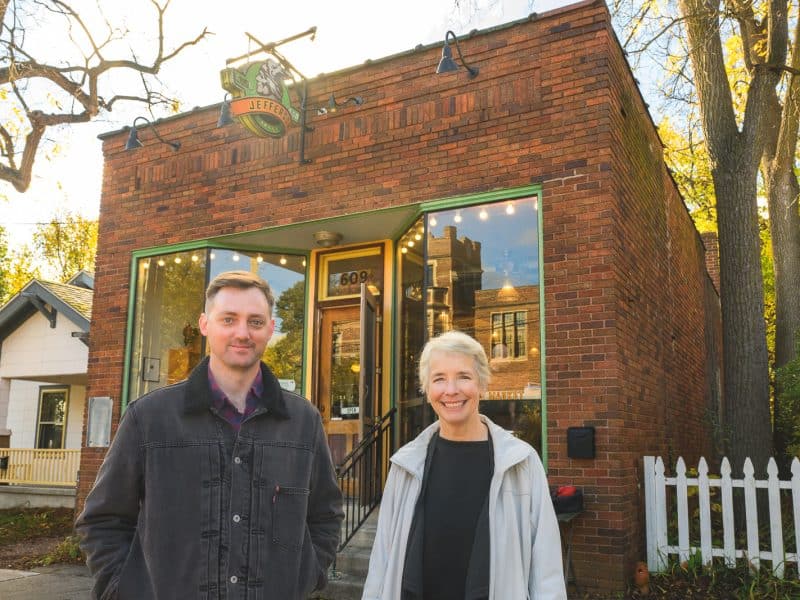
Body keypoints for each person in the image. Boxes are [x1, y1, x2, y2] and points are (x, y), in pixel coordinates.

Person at [77, 270, 343, 600]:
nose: (242, 332)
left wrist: (308, 575)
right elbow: (103, 519)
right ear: (205, 325)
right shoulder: (149, 418)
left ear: (271, 329)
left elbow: (325, 515)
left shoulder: (303, 422)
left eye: (256, 322)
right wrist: (122, 588)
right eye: (228, 319)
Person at [362, 330, 566, 599]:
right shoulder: (406, 465)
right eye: (439, 379)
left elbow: (546, 569)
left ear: (482, 384)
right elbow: (382, 563)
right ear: (427, 389)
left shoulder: (521, 462)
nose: (451, 390)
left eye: (464, 377)